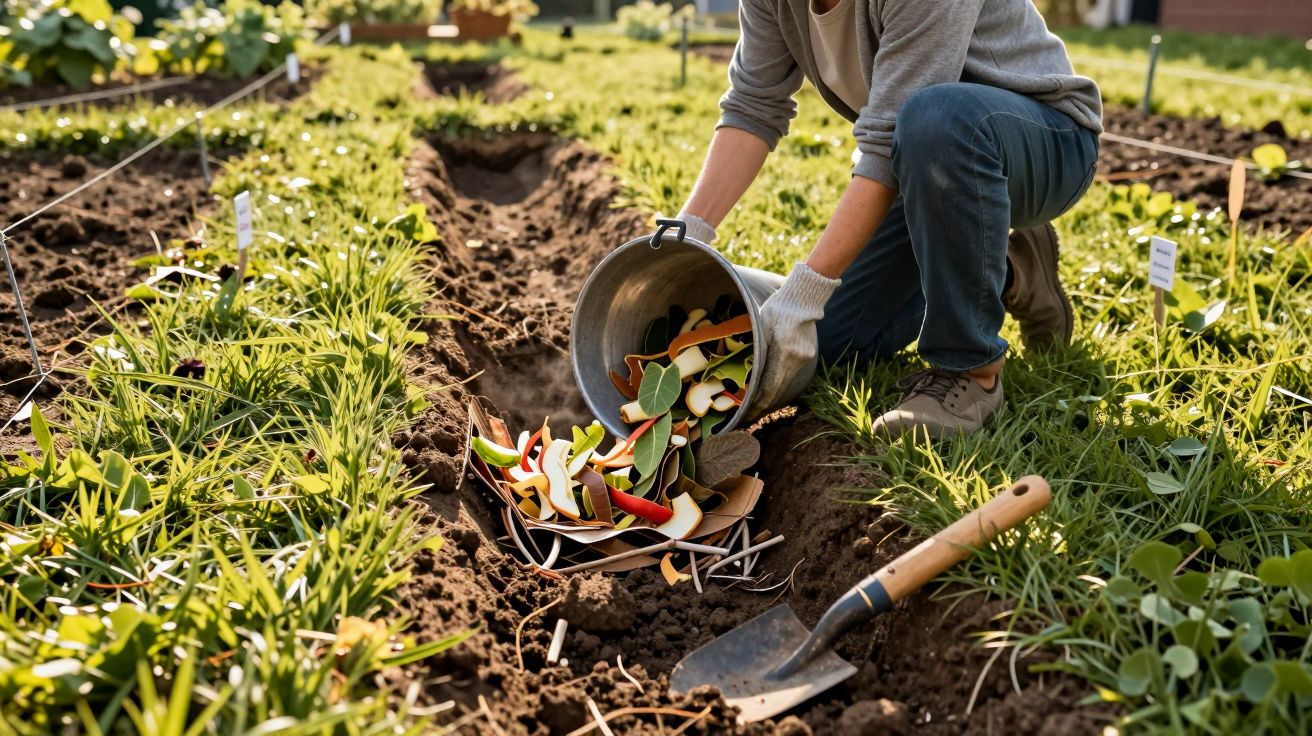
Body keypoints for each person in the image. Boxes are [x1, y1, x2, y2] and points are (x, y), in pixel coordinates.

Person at [674, 0, 1102, 437]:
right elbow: (753, 106)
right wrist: (687, 234)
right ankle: (1009, 268)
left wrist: (804, 292)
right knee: (829, 343)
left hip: (1043, 140)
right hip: (924, 163)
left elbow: (887, 141)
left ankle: (970, 370)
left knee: (935, 118)